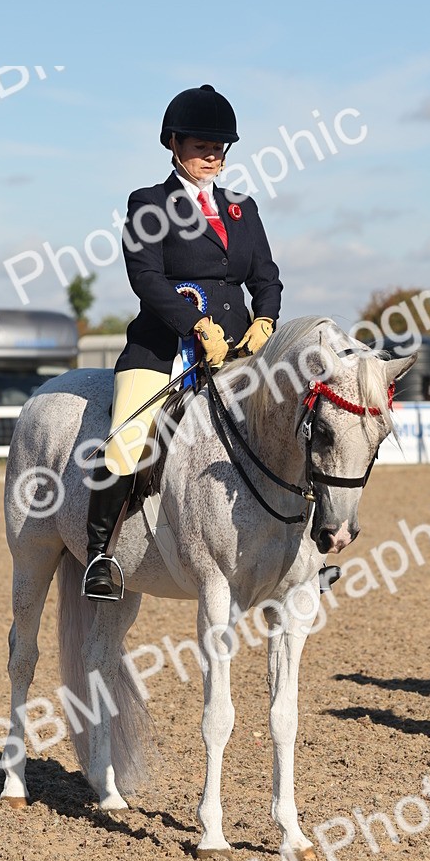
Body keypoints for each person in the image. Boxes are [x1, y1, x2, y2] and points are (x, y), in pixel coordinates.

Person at [83, 84, 283, 600]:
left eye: (219, 147)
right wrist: (194, 324)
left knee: (292, 425)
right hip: (164, 349)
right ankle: (100, 555)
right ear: (174, 144)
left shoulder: (242, 208)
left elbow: (266, 276)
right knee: (128, 436)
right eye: (201, 146)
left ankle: (300, 552)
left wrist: (265, 319)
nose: (212, 156)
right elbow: (146, 278)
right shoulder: (149, 203)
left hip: (238, 351)